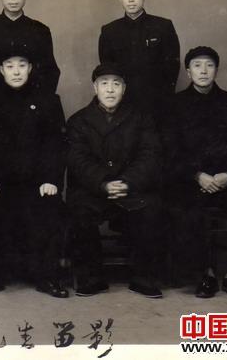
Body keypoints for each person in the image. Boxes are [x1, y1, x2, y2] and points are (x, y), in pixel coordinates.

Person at [164, 46, 227, 299]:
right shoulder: (174, 104)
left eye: (209, 65)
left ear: (216, 70)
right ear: (188, 71)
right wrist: (197, 175)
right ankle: (205, 274)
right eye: (197, 65)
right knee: (184, 209)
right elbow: (170, 149)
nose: (203, 71)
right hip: (191, 179)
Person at [0, 49, 68, 298]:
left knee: (50, 204)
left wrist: (50, 179)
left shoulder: (48, 100)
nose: (16, 71)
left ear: (30, 68)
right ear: (1, 70)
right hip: (0, 182)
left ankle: (48, 278)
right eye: (10, 66)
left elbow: (55, 144)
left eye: (22, 65)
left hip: (36, 181)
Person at [66, 63, 163, 298]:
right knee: (79, 211)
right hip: (94, 189)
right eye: (104, 84)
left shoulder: (141, 118)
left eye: (116, 84)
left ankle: (143, 278)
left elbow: (150, 155)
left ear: (124, 88)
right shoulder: (78, 121)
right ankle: (91, 278)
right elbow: (78, 160)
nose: (110, 90)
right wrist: (103, 183)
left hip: (132, 188)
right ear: (95, 87)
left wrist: (127, 182)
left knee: (152, 208)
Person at [98, 0, 180, 120]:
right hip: (122, 108)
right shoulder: (109, 31)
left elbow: (171, 71)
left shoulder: (163, 27)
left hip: (157, 107)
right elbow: (108, 71)